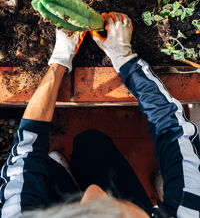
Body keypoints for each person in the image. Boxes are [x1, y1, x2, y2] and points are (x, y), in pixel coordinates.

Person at [0, 12, 200, 218]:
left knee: (48, 168)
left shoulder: (17, 213)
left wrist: (59, 61)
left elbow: (28, 142)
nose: (94, 192)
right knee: (91, 144)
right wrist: (125, 60)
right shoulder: (189, 210)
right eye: (118, 214)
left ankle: (62, 176)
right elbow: (172, 127)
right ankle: (164, 187)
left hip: (48, 203)